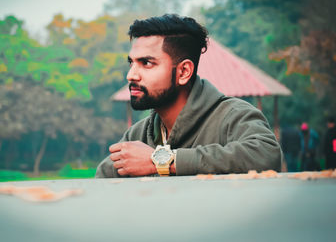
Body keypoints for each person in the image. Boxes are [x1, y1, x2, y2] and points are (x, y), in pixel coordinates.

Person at [95, 14, 283, 178]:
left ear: (184, 71)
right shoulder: (138, 134)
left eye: (146, 63)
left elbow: (266, 155)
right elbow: (101, 182)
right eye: (132, 63)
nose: (131, 75)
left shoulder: (233, 116)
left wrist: (160, 162)